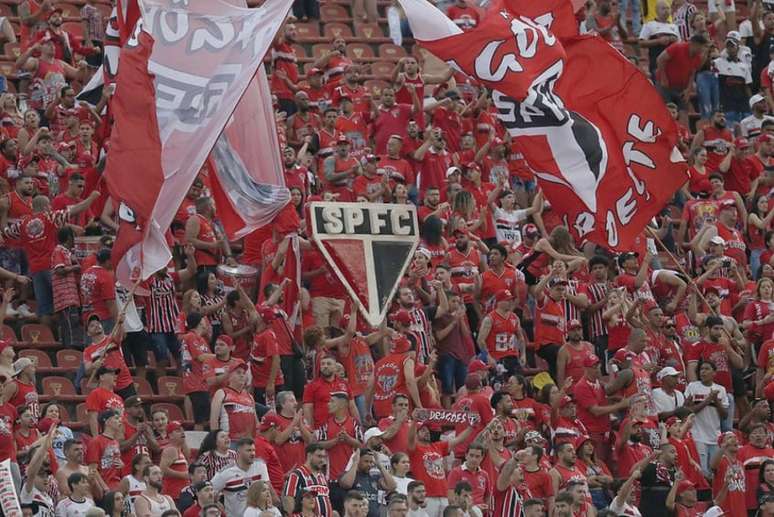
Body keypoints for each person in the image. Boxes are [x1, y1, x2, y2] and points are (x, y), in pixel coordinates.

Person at [684, 361, 729, 475]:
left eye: (707, 369)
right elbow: (688, 411)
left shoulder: (721, 389)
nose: (703, 371)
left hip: (715, 436)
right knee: (702, 471)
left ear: (714, 373)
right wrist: (708, 400)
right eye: (701, 369)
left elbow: (725, 415)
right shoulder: (692, 386)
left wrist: (716, 400)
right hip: (697, 435)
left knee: (716, 471)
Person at [211, 438, 271, 516]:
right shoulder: (225, 473)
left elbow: (268, 492)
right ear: (238, 453)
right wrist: (220, 509)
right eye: (249, 450)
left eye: (254, 450)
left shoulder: (260, 466)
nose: (253, 453)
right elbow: (209, 494)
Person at [209, 362, 259, 441]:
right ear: (229, 376)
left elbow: (256, 422)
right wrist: (215, 440)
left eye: (244, 373)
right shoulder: (221, 393)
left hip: (248, 443)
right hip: (229, 441)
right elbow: (213, 420)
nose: (242, 375)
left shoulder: (250, 396)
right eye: (238, 372)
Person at [339, 449, 397, 516]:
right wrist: (355, 463)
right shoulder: (348, 475)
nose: (369, 464)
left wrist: (380, 465)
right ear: (358, 460)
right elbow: (347, 484)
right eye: (366, 461)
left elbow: (392, 486)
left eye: (371, 462)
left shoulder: (374, 477)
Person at [282, 443, 334, 516]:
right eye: (319, 456)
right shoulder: (297, 475)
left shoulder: (322, 476)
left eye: (324, 457)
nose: (322, 460)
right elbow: (288, 499)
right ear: (309, 456)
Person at [86, 409, 124, 496]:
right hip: (105, 487)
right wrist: (104, 487)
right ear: (107, 421)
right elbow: (93, 469)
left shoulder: (116, 442)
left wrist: (122, 465)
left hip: (117, 485)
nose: (120, 421)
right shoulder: (96, 441)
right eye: (116, 418)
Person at [159, 420, 189, 500]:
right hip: (173, 494)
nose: (182, 433)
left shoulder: (178, 449)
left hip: (180, 493)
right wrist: (183, 475)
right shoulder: (171, 449)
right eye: (178, 431)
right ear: (170, 435)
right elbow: (162, 471)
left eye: (183, 430)